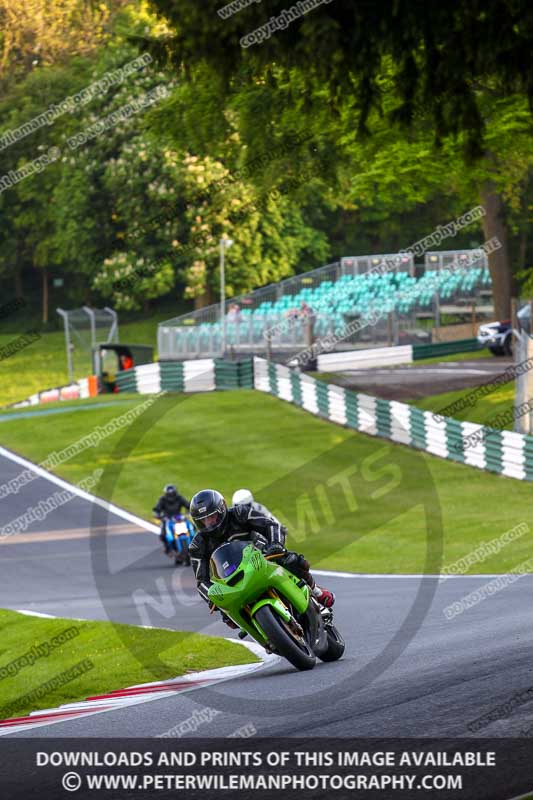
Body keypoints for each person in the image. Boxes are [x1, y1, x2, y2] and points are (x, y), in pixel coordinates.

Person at [188, 489, 335, 628]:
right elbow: (201, 581)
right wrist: (212, 598)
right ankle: (266, 635)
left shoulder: (239, 514)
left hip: (262, 557)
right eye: (204, 521)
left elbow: (271, 525)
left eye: (212, 517)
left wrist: (275, 544)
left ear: (221, 510)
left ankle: (316, 592)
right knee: (228, 618)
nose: (209, 523)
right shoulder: (198, 545)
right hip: (232, 579)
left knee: (293, 560)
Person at [153, 484, 190, 553]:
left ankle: (195, 544)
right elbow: (157, 509)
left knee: (192, 527)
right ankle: (167, 548)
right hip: (167, 519)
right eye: (169, 494)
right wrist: (158, 515)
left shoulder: (180, 498)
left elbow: (188, 505)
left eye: (173, 494)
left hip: (179, 518)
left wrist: (188, 512)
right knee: (162, 534)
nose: (171, 496)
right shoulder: (162, 499)